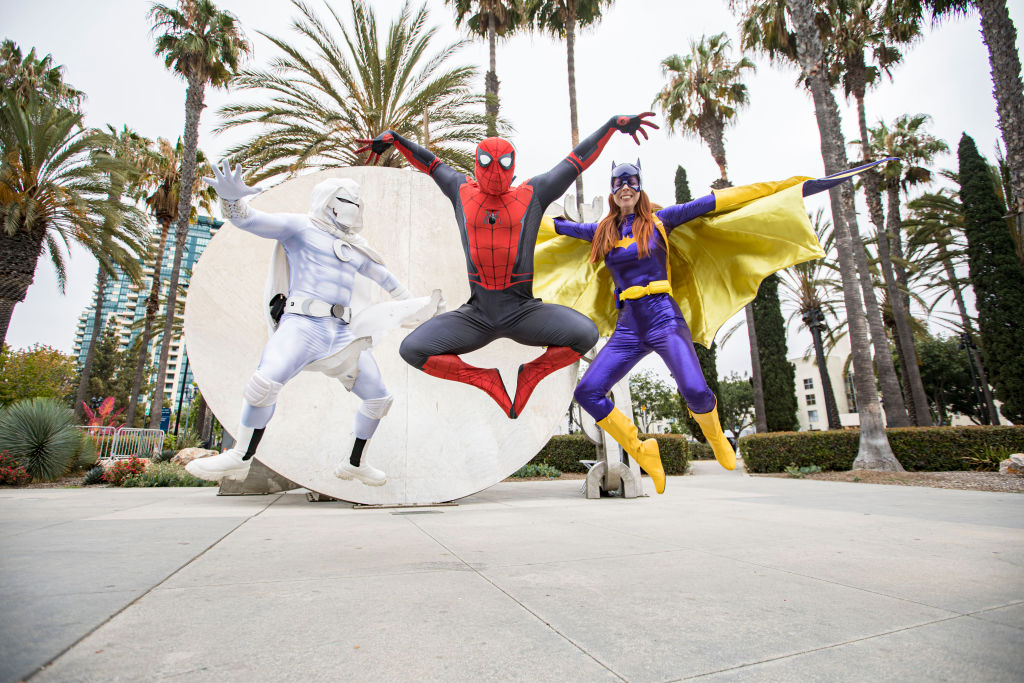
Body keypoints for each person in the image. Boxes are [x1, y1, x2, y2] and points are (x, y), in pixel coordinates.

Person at [542, 159, 886, 493]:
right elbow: (550, 227)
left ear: (640, 187)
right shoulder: (601, 232)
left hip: (664, 317)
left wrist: (796, 187)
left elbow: (719, 201)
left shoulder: (662, 220)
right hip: (629, 327)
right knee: (588, 392)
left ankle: (717, 437)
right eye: (618, 184)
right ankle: (641, 449)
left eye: (631, 181)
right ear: (612, 192)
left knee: (694, 390)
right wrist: (503, 212)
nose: (625, 188)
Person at [355, 114, 658, 419]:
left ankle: (532, 374)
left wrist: (611, 125)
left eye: (503, 163)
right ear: (476, 162)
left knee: (585, 334)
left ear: (513, 165)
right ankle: (485, 380)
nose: (495, 170)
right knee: (413, 349)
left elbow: (576, 161)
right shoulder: (460, 189)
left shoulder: (533, 193)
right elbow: (430, 163)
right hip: (477, 314)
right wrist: (395, 138)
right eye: (487, 161)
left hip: (523, 311)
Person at [186, 161, 438, 486]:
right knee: (264, 383)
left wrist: (414, 306)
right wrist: (232, 202)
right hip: (302, 326)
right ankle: (241, 457)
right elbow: (249, 220)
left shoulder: (353, 247)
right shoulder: (301, 228)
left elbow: (384, 277)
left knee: (378, 398)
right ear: (330, 202)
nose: (354, 209)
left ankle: (355, 463)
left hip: (342, 335)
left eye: (357, 203)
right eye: (348, 201)